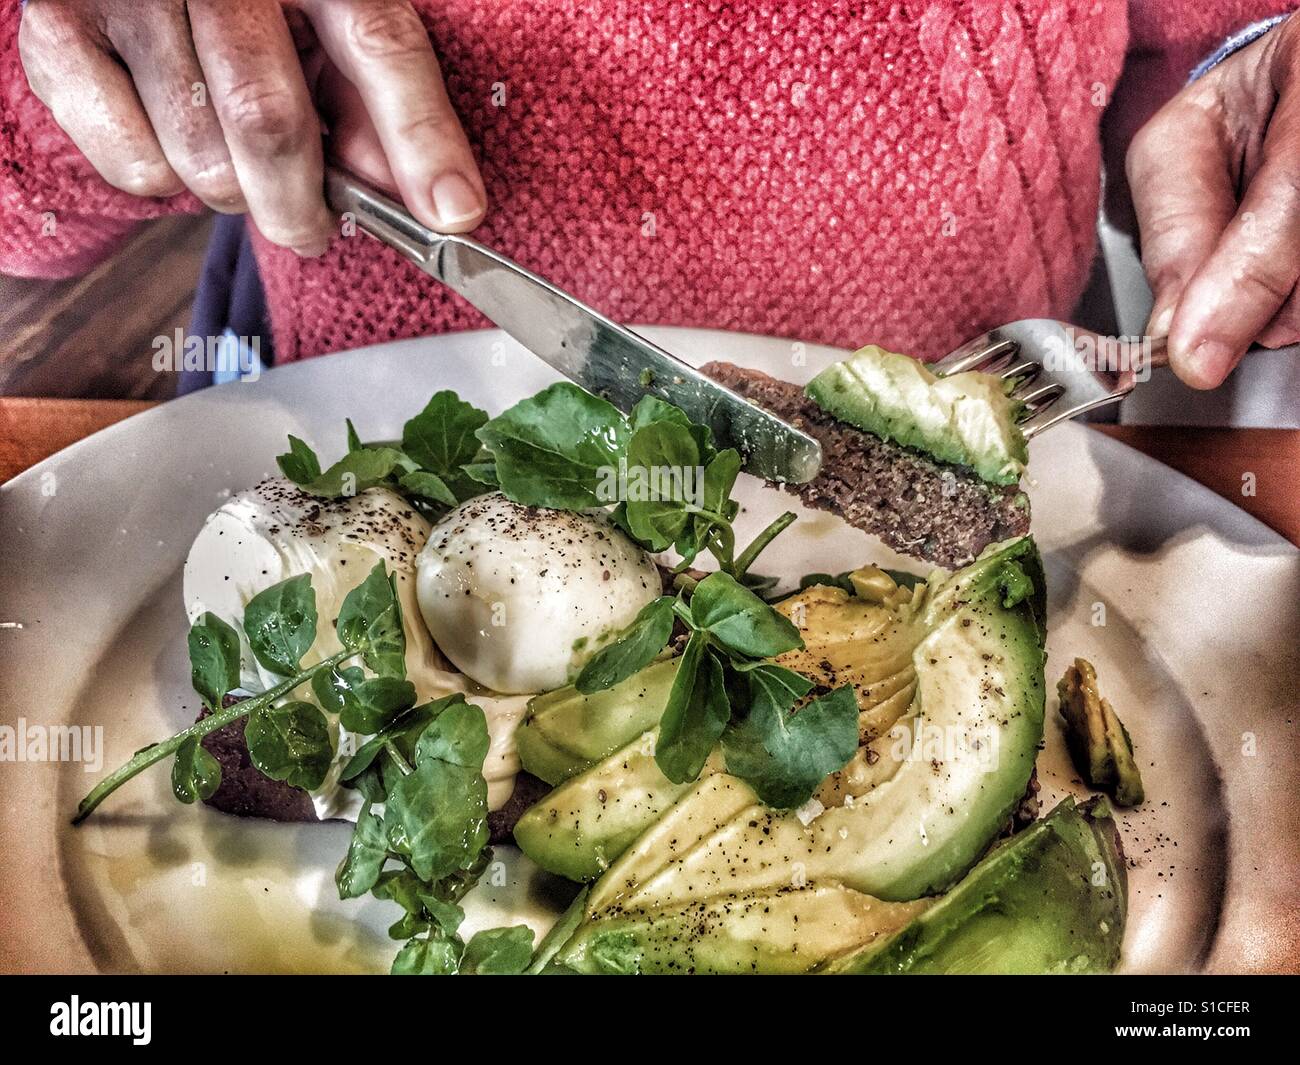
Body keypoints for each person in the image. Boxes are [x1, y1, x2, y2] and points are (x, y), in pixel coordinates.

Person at [2, 0, 1298, 395]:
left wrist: (1248, 71)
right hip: (315, 440)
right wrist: (108, 70)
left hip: (980, 462)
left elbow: (1208, 34)